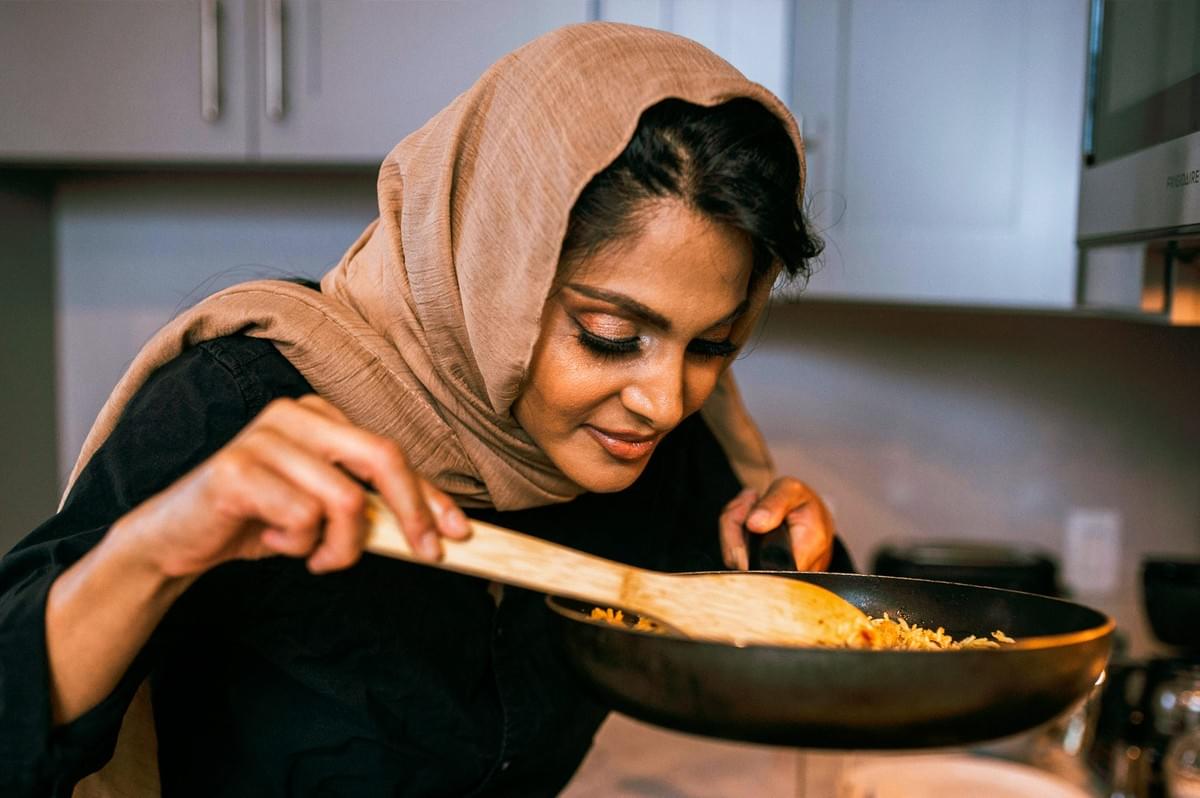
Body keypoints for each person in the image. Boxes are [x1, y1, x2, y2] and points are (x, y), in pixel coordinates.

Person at [0, 21, 845, 798]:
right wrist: (155, 551)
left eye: (712, 346)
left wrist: (792, 550)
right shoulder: (243, 406)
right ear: (492, 276)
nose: (664, 403)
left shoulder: (649, 448)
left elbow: (796, 650)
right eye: (610, 333)